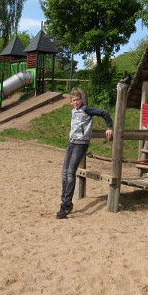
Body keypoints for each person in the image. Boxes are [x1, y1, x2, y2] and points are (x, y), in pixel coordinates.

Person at [57, 89, 113, 219]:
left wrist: (109, 127)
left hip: (80, 144)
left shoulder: (86, 109)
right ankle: (66, 201)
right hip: (71, 143)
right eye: (73, 100)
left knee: (71, 172)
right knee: (64, 172)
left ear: (82, 100)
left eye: (77, 99)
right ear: (70, 102)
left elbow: (104, 113)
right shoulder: (73, 111)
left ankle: (65, 205)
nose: (75, 102)